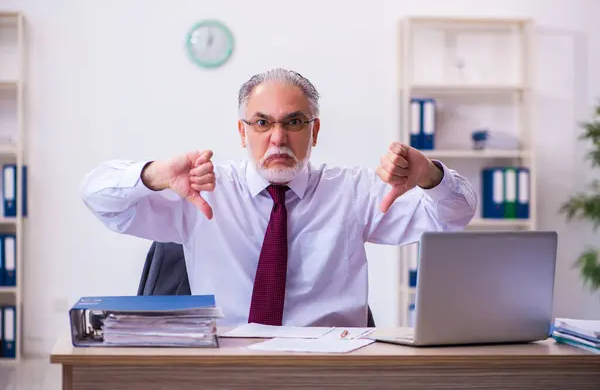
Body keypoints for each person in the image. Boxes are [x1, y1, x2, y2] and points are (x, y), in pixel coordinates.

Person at [80, 68, 477, 328]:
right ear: (242, 132)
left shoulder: (353, 191)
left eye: (294, 122)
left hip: (328, 371)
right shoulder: (202, 189)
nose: (278, 137)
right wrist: (154, 175)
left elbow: (453, 216)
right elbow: (98, 197)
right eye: (262, 122)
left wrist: (429, 175)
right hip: (227, 368)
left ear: (315, 131)